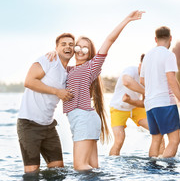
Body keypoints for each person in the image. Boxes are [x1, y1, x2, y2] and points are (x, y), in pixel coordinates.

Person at [56, 10, 145, 171]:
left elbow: (109, 40)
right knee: (92, 167)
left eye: (86, 48)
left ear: (90, 53)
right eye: (78, 46)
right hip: (82, 118)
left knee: (80, 166)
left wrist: (127, 19)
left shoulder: (91, 67)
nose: (81, 50)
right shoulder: (68, 69)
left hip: (83, 117)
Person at [17, 33, 75, 174]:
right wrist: (57, 92)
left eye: (71, 45)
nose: (67, 47)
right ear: (56, 48)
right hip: (29, 124)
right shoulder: (48, 60)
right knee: (32, 173)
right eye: (63, 44)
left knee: (58, 171)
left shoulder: (69, 72)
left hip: (49, 126)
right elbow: (29, 81)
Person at [140, 26, 180, 158]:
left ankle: (152, 171)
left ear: (155, 39)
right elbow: (171, 80)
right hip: (164, 102)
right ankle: (166, 173)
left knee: (156, 140)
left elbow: (142, 79)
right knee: (174, 140)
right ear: (170, 38)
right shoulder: (169, 55)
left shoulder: (147, 56)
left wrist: (154, 84)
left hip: (150, 104)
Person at [109, 54, 165, 156]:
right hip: (118, 108)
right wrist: (146, 91)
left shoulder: (149, 79)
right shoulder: (130, 70)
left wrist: (131, 101)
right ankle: (113, 166)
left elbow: (144, 104)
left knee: (159, 131)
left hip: (135, 108)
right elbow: (126, 81)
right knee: (119, 140)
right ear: (140, 65)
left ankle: (157, 163)